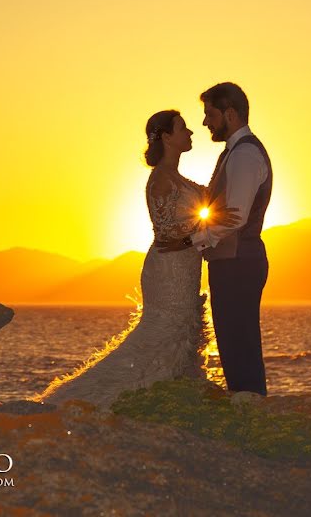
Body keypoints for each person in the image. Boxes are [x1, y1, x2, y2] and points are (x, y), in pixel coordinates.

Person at [33, 110, 237, 408]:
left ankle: (177, 392)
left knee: (183, 328)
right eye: (183, 128)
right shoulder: (160, 181)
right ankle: (99, 397)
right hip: (168, 269)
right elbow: (167, 234)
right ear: (167, 137)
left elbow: (202, 209)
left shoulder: (177, 178)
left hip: (184, 265)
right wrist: (206, 226)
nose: (190, 132)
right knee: (165, 330)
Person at [159, 82, 272, 396]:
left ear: (230, 113)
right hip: (232, 261)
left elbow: (233, 219)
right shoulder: (235, 153)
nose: (206, 122)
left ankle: (251, 411)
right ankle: (248, 408)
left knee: (240, 346)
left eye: (210, 114)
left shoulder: (245, 154)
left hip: (238, 262)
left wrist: (188, 242)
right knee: (235, 346)